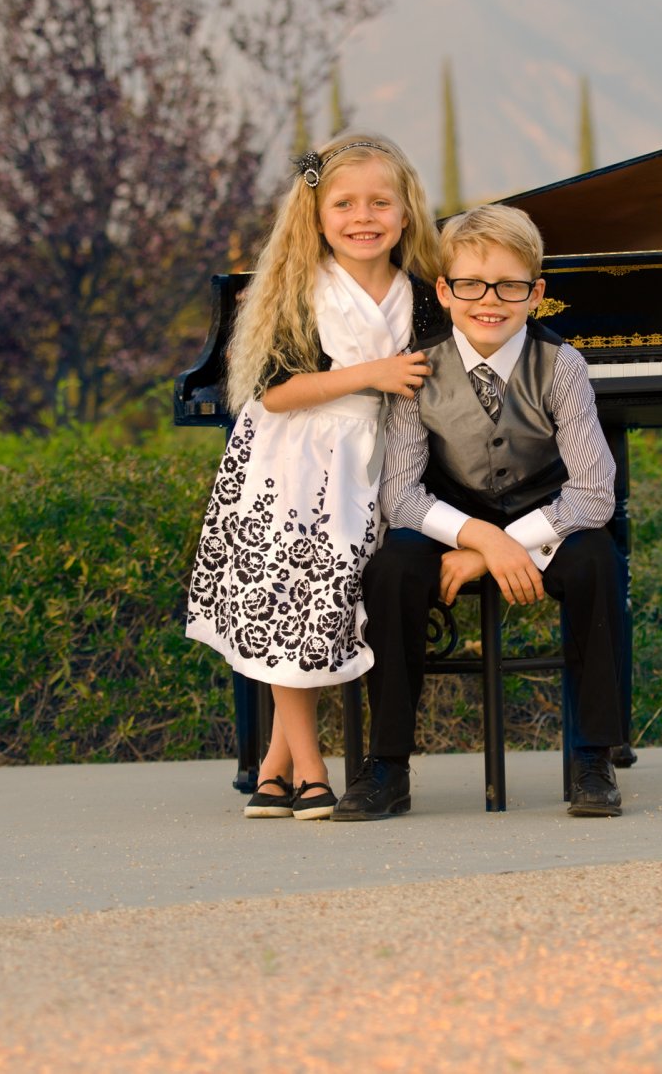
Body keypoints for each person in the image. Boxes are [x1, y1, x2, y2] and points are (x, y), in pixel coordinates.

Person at [333, 204, 626, 822]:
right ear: (444, 290)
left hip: (547, 518)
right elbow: (400, 496)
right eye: (469, 285)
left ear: (536, 294)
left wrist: (498, 546)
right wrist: (475, 539)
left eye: (510, 287)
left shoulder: (562, 365)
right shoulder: (419, 367)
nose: (489, 301)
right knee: (390, 572)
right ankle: (387, 767)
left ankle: (592, 758)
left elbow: (596, 492)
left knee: (599, 558)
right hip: (445, 515)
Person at [186, 134, 443, 820]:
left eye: (379, 202)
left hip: (369, 461)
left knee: (326, 604)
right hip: (290, 462)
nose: (364, 216)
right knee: (291, 599)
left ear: (407, 210)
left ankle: (274, 763)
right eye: (345, 203)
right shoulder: (300, 286)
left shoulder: (420, 294)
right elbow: (271, 392)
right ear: (318, 213)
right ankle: (309, 764)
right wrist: (372, 375)